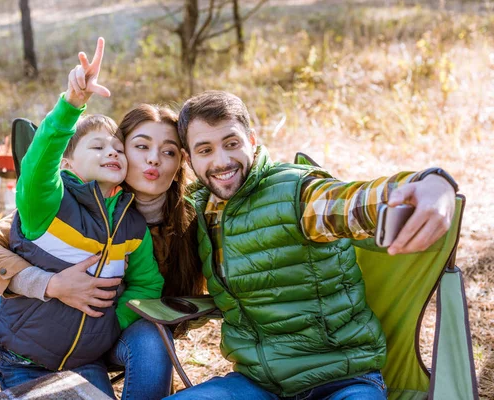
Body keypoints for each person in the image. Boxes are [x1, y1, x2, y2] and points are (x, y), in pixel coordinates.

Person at [0, 39, 203, 400]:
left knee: (151, 338)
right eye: (140, 146)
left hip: (97, 342)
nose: (154, 160)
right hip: (30, 321)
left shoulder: (167, 224)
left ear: (180, 165)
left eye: (168, 151)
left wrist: (109, 322)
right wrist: (50, 284)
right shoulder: (59, 201)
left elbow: (150, 287)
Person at [161, 90, 458, 400]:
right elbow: (129, 189)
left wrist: (433, 183)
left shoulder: (296, 193)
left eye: (231, 143)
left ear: (251, 140)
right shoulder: (196, 210)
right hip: (257, 384)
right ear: (189, 159)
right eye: (205, 150)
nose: (221, 160)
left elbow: (354, 203)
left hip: (343, 380)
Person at [0, 38, 165, 392]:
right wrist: (72, 105)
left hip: (87, 362)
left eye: (119, 148)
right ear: (68, 163)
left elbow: (148, 284)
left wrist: (111, 324)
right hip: (25, 361)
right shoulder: (49, 204)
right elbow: (38, 166)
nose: (113, 152)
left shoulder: (131, 224)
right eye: (98, 146)